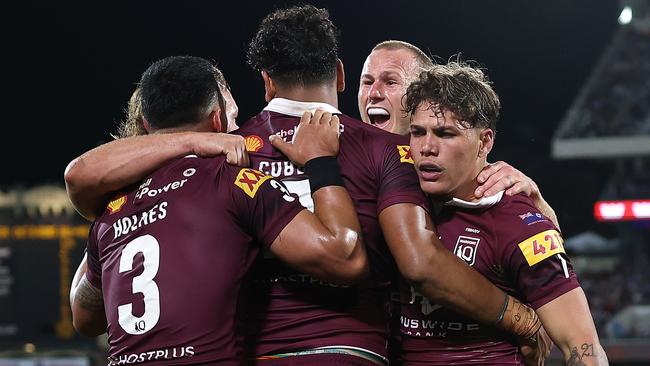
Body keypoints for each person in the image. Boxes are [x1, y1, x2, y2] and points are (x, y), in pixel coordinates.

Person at [64, 6, 546, 365]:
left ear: (266, 82)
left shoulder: (222, 152)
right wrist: (524, 317)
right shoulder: (383, 149)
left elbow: (89, 305)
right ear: (339, 77)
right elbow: (422, 262)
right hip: (348, 351)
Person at [69, 55, 369, 365]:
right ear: (217, 123)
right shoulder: (234, 181)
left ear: (145, 124)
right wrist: (321, 162)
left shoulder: (110, 213)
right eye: (234, 120)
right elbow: (343, 257)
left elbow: (83, 318)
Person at [400, 60, 608, 365]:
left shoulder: (519, 221)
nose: (426, 147)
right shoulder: (400, 203)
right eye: (418, 132)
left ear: (485, 142)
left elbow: (583, 347)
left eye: (445, 134)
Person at [358, 40, 559, 226]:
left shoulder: (484, 184)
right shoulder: (342, 161)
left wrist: (537, 204)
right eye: (366, 82)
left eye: (391, 82)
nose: (373, 93)